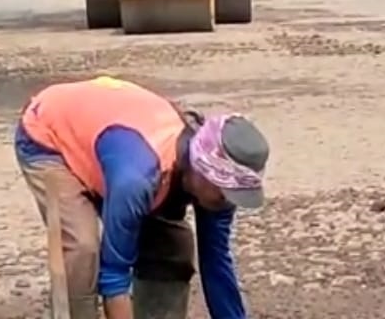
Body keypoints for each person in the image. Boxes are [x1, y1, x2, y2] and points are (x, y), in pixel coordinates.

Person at [15, 76, 270, 319]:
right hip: (49, 135)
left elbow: (215, 263)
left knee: (173, 247)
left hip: (112, 146)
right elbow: (114, 276)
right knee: (82, 249)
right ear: (202, 170)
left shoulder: (220, 187)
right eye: (225, 193)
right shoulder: (137, 179)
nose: (228, 202)